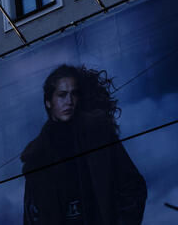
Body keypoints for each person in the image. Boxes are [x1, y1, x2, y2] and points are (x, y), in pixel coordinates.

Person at [21, 64, 146, 224]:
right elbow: (32, 217)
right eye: (62, 95)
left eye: (74, 94)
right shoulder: (36, 156)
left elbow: (133, 187)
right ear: (48, 102)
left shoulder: (98, 134)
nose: (69, 101)